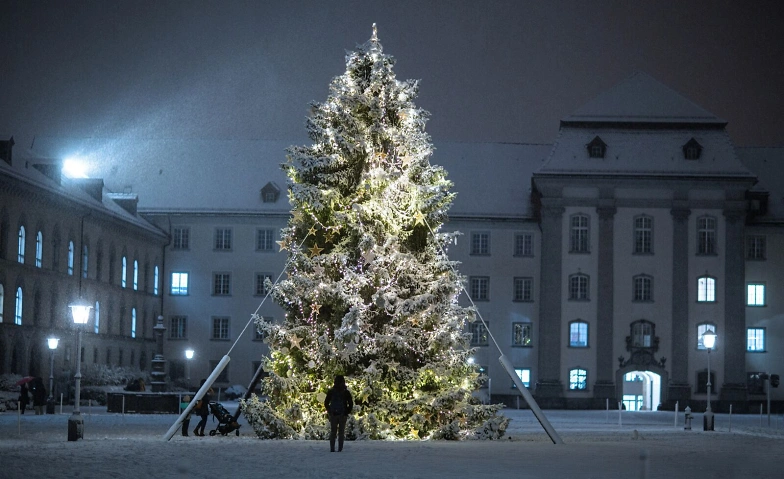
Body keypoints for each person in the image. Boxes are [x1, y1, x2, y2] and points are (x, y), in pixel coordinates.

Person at [324, 375, 353, 452]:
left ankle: (332, 449)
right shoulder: (346, 392)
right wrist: (346, 412)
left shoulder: (331, 391)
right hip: (342, 414)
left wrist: (330, 411)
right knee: (341, 432)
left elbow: (326, 403)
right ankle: (340, 449)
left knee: (333, 432)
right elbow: (350, 404)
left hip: (333, 414)